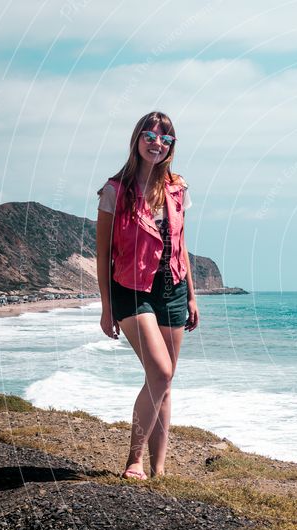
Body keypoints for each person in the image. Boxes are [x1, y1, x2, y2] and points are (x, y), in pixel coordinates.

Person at [95, 111, 199, 480]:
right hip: (130, 289)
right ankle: (133, 460)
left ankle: (159, 470)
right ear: (137, 139)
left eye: (165, 139)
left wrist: (191, 297)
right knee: (160, 371)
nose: (157, 143)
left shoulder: (177, 187)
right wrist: (107, 309)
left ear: (171, 146)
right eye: (150, 136)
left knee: (165, 383)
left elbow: (182, 244)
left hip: (172, 289)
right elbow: (104, 253)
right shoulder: (114, 190)